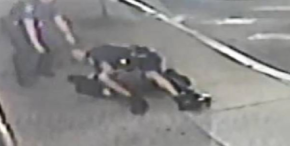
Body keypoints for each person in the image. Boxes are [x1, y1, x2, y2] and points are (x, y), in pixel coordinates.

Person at [68, 44, 211, 115]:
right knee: (154, 77)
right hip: (141, 57)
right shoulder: (97, 53)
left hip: (141, 59)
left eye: (77, 54)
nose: (77, 57)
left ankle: (180, 96)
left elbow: (108, 70)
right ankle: (177, 87)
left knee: (152, 76)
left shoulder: (95, 55)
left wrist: (103, 79)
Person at [3, 0, 78, 87]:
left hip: (38, 23)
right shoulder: (29, 5)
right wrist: (36, 44)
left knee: (52, 42)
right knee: (26, 50)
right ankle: (26, 79)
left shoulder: (52, 3)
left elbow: (58, 20)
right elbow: (29, 27)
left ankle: (44, 69)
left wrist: (68, 34)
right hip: (18, 26)